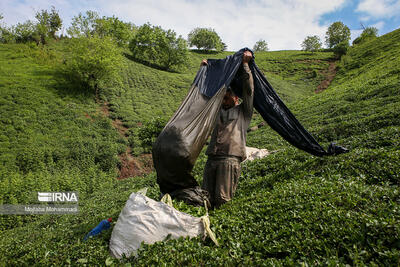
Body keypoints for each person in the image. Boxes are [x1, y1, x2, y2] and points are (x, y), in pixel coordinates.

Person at [200, 50, 254, 208]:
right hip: (212, 159)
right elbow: (205, 96)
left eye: (227, 96)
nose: (223, 100)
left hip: (229, 160)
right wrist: (204, 71)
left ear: (236, 98)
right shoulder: (216, 112)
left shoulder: (243, 112)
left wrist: (245, 65)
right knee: (205, 198)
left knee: (223, 199)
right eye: (222, 97)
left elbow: (249, 91)